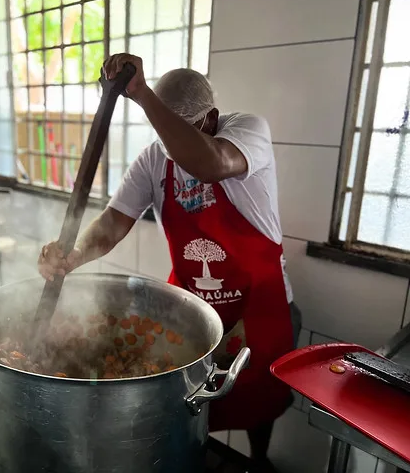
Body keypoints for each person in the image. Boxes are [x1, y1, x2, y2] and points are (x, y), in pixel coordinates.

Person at [37, 53, 301, 471]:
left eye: (182, 128)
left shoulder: (248, 130)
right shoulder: (154, 158)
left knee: (257, 399)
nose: (170, 146)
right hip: (194, 308)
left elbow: (211, 163)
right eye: (162, 131)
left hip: (258, 305)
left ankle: (259, 461)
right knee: (187, 406)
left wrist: (140, 93)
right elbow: (113, 221)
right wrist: (72, 257)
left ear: (211, 118)